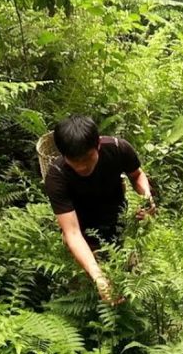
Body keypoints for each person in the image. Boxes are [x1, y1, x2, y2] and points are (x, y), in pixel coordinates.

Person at [44, 115, 155, 302]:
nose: (82, 166)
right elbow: (72, 233)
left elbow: (137, 175)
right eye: (74, 160)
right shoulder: (57, 177)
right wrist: (98, 277)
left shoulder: (119, 149)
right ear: (64, 156)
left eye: (87, 158)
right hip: (84, 234)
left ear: (98, 145)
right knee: (89, 292)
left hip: (119, 224)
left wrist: (146, 199)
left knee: (131, 281)